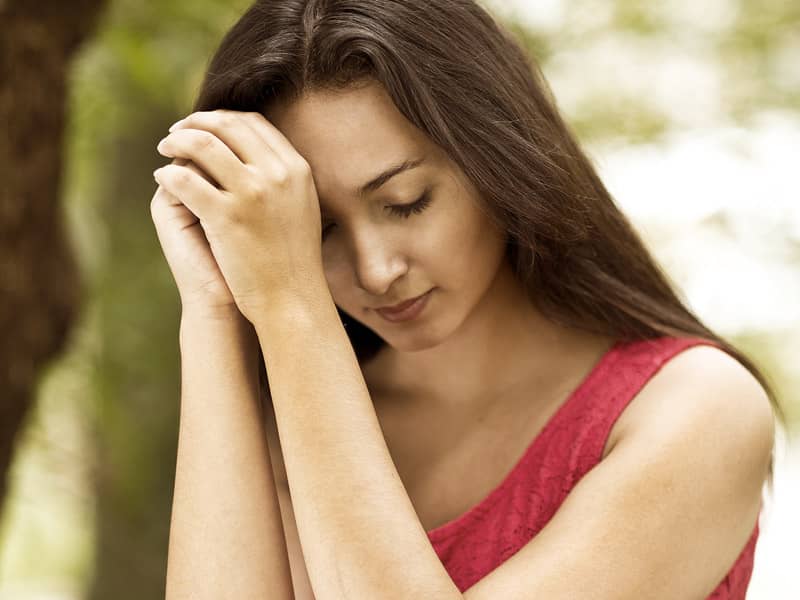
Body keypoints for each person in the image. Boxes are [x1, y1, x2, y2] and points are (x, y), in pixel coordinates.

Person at [149, 1, 781, 598]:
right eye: (315, 229)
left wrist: (292, 301)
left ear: (492, 161)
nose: (375, 271)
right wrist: (216, 311)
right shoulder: (285, 418)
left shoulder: (696, 408)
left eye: (406, 202)